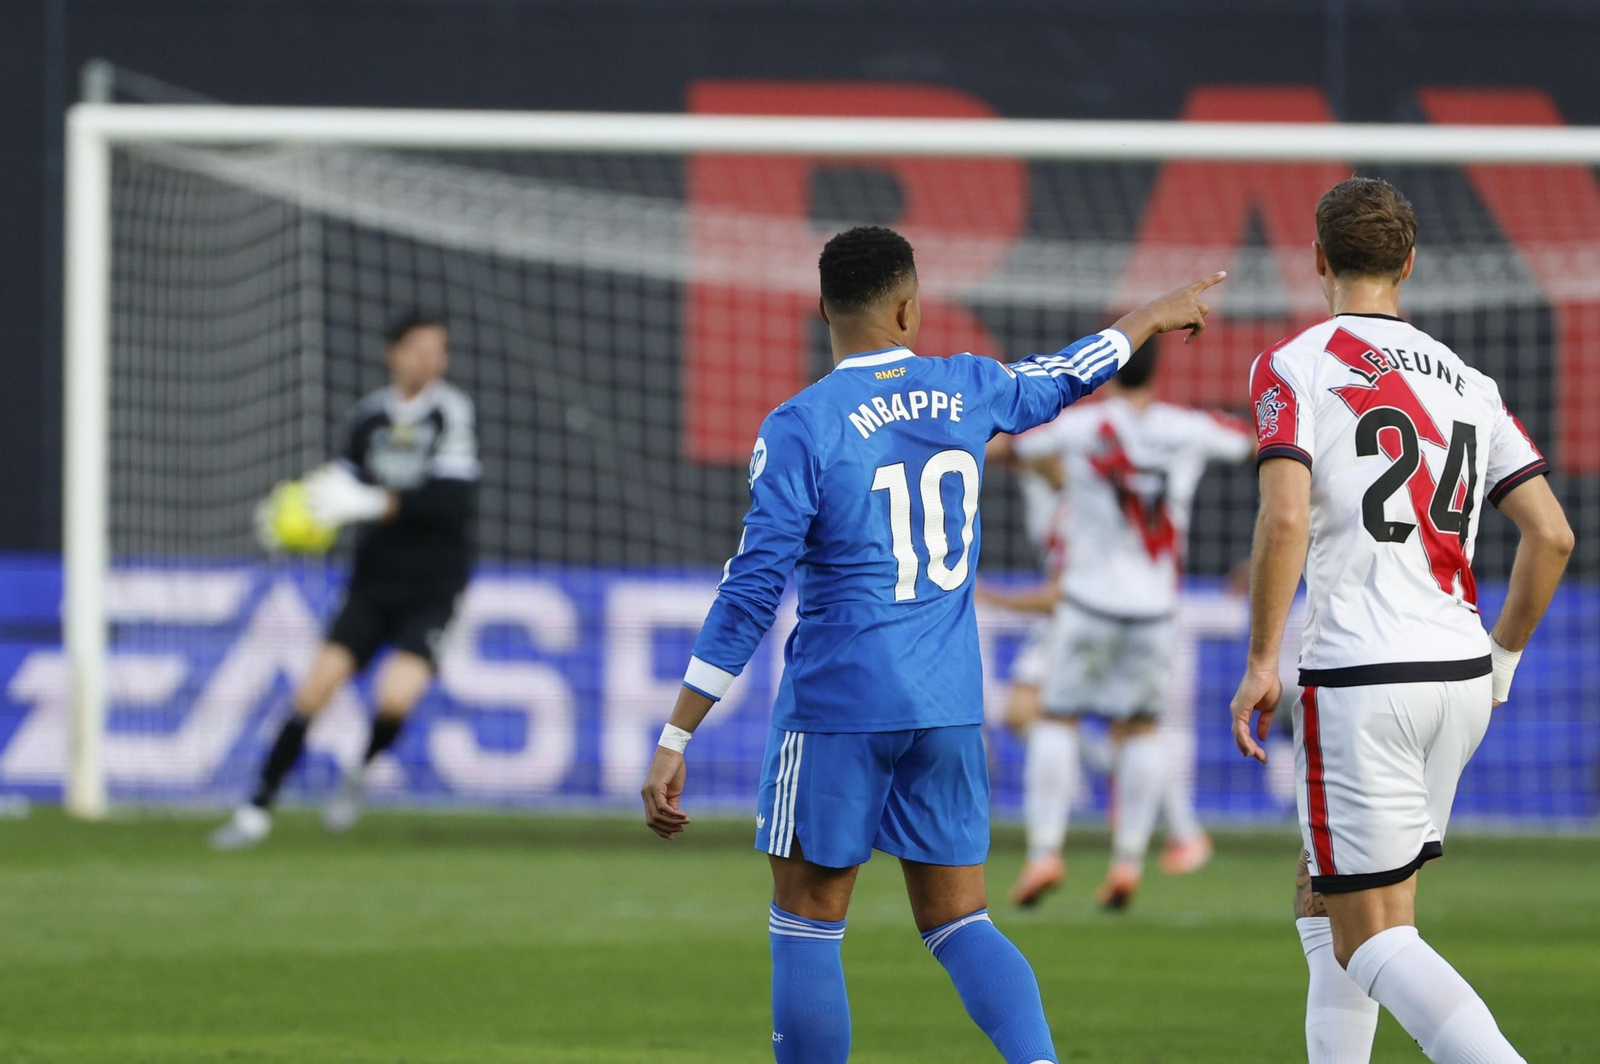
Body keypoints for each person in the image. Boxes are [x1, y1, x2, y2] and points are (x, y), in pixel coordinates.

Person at [640, 223, 1224, 1064]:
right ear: (910, 308)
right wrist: (1149, 316)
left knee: (806, 923)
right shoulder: (968, 388)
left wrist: (676, 733)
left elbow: (751, 590)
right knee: (961, 921)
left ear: (823, 309)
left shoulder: (801, 426)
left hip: (839, 706)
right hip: (948, 706)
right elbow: (1066, 374)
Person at [1230, 177, 1571, 1064]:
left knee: (1371, 939)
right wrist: (1501, 660)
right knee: (1332, 899)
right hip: (1456, 674)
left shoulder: (1296, 363)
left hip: (1362, 676)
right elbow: (1553, 534)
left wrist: (1263, 657)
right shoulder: (1471, 381)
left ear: (1316, 260)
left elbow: (1286, 516)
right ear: (1409, 265)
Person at [984, 342, 1255, 909]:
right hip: (1155, 607)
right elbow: (1260, 446)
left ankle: (1044, 854)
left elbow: (1009, 448)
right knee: (1139, 729)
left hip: (1087, 601)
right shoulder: (1187, 427)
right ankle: (1129, 861)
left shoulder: (1083, 427)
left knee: (1056, 718)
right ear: (1159, 372)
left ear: (1105, 373)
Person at [211, 314, 480, 849]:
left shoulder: (450, 414)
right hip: (373, 582)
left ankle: (358, 774)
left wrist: (377, 502)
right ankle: (255, 808)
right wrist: (296, 516)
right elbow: (338, 489)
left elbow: (453, 504)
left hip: (432, 585)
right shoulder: (367, 418)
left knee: (395, 700)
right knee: (316, 687)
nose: (431, 360)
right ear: (393, 352)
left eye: (439, 350)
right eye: (420, 349)